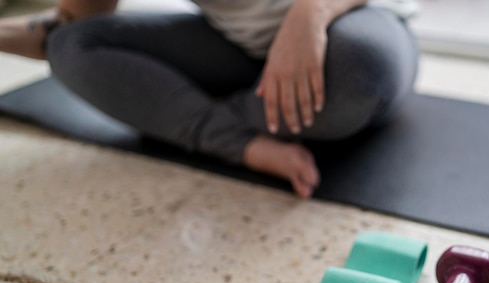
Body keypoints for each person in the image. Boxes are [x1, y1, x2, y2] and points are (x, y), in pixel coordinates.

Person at [0, 0, 418, 198]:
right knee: (71, 46)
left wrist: (309, 14)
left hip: (354, 23)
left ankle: (189, 115)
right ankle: (238, 139)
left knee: (360, 69)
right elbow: (70, 25)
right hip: (236, 46)